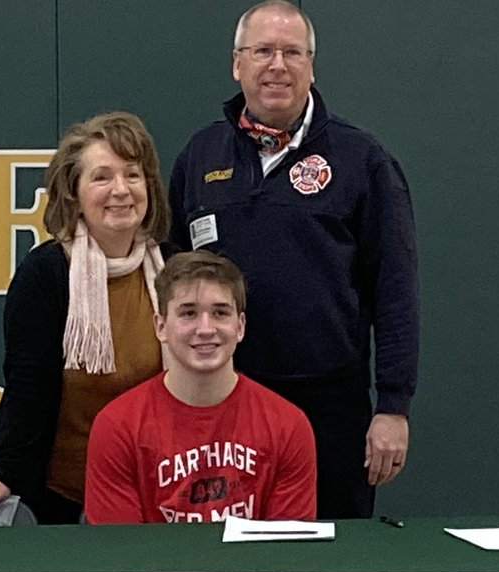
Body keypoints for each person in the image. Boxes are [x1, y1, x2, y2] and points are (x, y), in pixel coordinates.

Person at [168, 0, 419, 519]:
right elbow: (171, 277)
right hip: (219, 400)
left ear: (311, 65)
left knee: (328, 568)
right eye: (262, 51)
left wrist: (393, 406)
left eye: (291, 53)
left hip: (327, 406)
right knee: (217, 565)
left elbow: (394, 291)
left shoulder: (361, 160)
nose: (276, 65)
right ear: (237, 63)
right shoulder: (200, 156)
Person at [0, 112, 174, 523]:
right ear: (73, 192)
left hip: (162, 496)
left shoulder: (175, 270)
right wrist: (4, 475)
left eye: (132, 175)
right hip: (63, 496)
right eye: (102, 177)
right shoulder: (47, 275)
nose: (121, 190)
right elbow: (27, 390)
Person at [85, 250, 316, 524]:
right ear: (161, 326)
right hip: (157, 567)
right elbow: (120, 554)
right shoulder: (117, 426)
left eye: (220, 312)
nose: (205, 328)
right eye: (188, 313)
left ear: (240, 326)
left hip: (253, 568)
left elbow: (286, 555)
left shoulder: (288, 426)